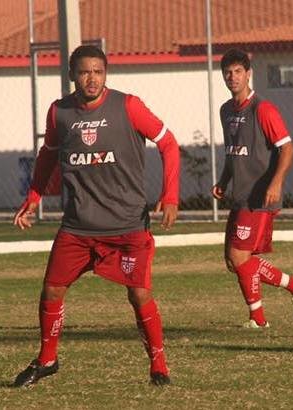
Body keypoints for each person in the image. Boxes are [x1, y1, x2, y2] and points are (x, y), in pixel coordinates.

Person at [12, 45, 180, 387]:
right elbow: (48, 155)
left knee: (139, 294)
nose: (92, 78)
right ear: (72, 75)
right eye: (85, 72)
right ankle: (47, 360)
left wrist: (170, 195)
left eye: (98, 72)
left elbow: (169, 143)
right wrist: (33, 197)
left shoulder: (128, 106)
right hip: (78, 227)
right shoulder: (60, 112)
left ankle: (159, 365)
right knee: (52, 290)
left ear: (106, 73)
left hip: (127, 225)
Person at [211, 48, 293, 328]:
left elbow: (287, 148)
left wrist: (276, 182)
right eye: (228, 72)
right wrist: (223, 181)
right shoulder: (226, 111)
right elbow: (233, 152)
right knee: (233, 261)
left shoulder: (263, 109)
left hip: (259, 196)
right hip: (240, 195)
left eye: (238, 71)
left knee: (239, 256)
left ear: (249, 74)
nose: (233, 77)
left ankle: (258, 319)